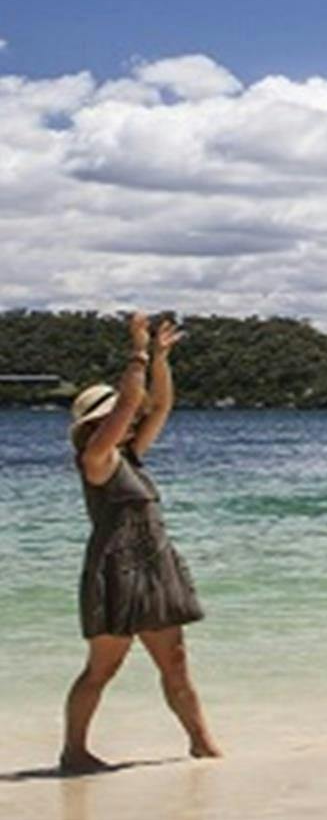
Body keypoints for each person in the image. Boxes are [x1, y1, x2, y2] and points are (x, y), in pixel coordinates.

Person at [61, 310, 222, 774]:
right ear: (93, 425)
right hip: (117, 573)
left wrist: (161, 359)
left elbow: (159, 407)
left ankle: (203, 745)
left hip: (155, 566)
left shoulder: (130, 455)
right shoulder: (96, 457)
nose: (126, 420)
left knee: (175, 662)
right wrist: (137, 348)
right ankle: (73, 752)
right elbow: (131, 404)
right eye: (111, 416)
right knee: (102, 669)